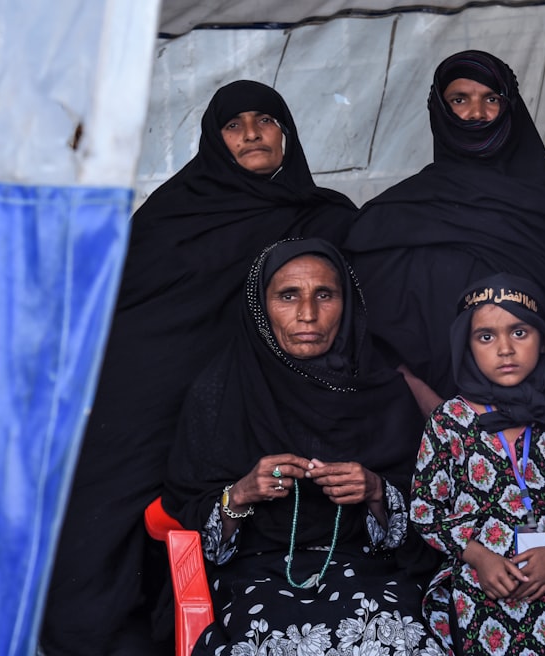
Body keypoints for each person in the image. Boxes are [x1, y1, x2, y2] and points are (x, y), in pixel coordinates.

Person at [41, 81, 356, 655]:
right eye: (234, 126)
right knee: (95, 542)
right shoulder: (171, 211)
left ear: (286, 132)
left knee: (217, 523)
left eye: (265, 120)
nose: (252, 133)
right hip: (136, 400)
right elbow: (109, 302)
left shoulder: (324, 220)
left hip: (243, 403)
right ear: (214, 140)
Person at [162, 238, 442, 655]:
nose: (307, 314)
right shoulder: (220, 393)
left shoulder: (382, 391)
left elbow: (429, 511)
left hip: (368, 570)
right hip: (254, 573)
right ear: (261, 306)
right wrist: (242, 493)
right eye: (288, 296)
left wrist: (376, 492)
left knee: (400, 639)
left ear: (347, 306)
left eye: (324, 295)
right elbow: (192, 516)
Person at [344, 50, 545, 411]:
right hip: (431, 425)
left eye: (491, 98)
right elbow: (373, 336)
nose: (477, 114)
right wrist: (443, 418)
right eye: (460, 100)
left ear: (511, 107)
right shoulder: (393, 216)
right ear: (439, 110)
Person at [411, 273, 545, 655]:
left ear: (542, 339)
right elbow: (424, 511)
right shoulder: (449, 421)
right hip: (477, 588)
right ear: (466, 347)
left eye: (519, 333)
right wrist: (479, 557)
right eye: (486, 337)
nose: (505, 349)